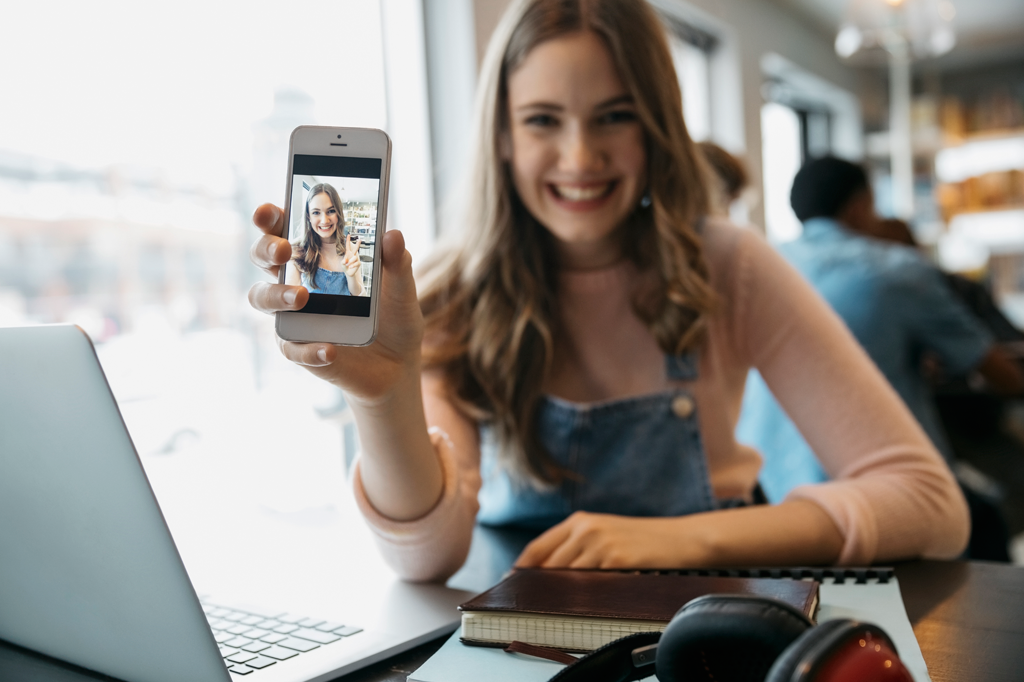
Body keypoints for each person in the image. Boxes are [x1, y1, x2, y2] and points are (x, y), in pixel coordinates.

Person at [248, 0, 969, 583]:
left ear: (656, 128)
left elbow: (929, 502)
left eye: (614, 116)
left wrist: (684, 541)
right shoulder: (446, 291)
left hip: (705, 628)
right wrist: (383, 397)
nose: (581, 158)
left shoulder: (728, 265)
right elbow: (427, 556)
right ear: (501, 135)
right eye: (542, 121)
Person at [737, 157, 1024, 506]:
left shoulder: (756, 268)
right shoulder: (898, 271)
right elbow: (999, 372)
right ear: (860, 206)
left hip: (767, 487)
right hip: (878, 493)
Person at [286, 182, 365, 296]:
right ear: (309, 216)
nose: (324, 220)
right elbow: (289, 298)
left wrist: (351, 276)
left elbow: (358, 296)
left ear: (338, 214)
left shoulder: (350, 249)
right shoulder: (296, 249)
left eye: (331, 211)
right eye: (316, 212)